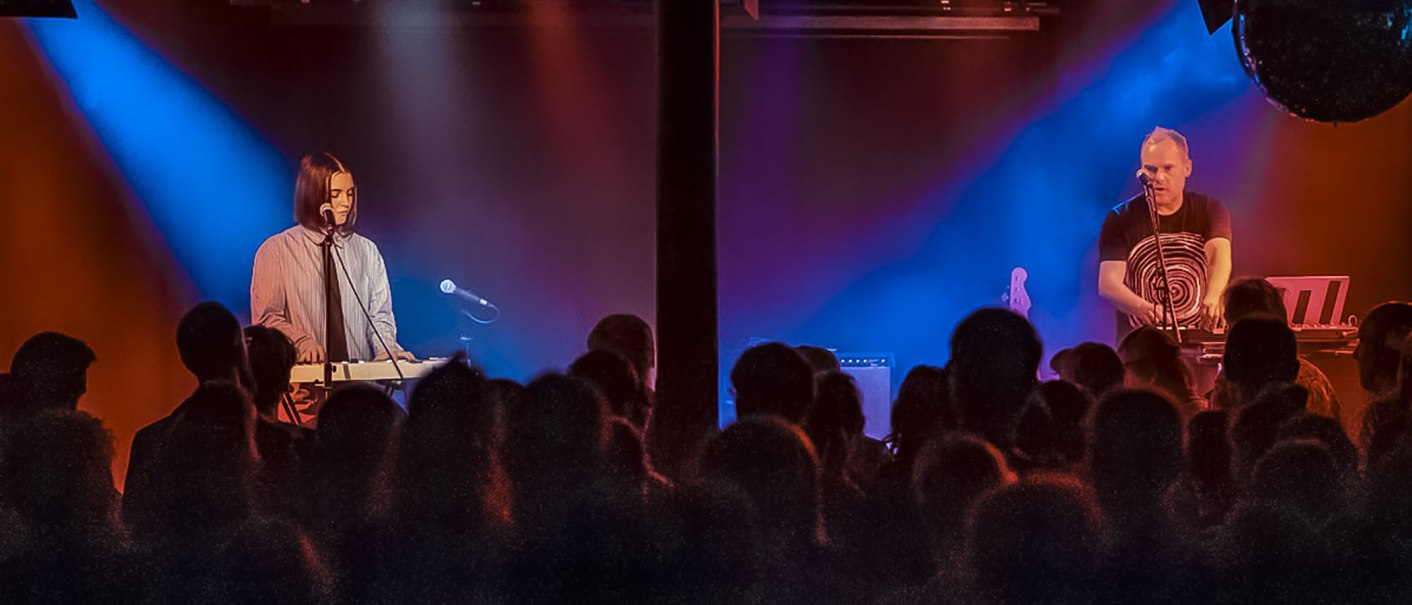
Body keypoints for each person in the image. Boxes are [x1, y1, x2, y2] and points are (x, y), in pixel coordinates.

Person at [251, 152, 412, 364]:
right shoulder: (276, 251)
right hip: (305, 389)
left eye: (350, 193)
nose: (345, 202)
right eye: (335, 194)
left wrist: (387, 350)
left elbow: (380, 315)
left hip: (357, 387)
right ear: (312, 195)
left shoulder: (367, 251)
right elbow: (267, 318)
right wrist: (301, 342)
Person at [1099, 127, 1232, 340]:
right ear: (1141, 172)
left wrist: (1214, 295)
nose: (1158, 177)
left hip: (1198, 342)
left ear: (1187, 168)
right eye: (1150, 169)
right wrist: (1144, 308)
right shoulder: (1120, 217)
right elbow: (1108, 283)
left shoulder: (1210, 209)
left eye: (1168, 168)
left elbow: (1218, 255)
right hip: (1141, 346)